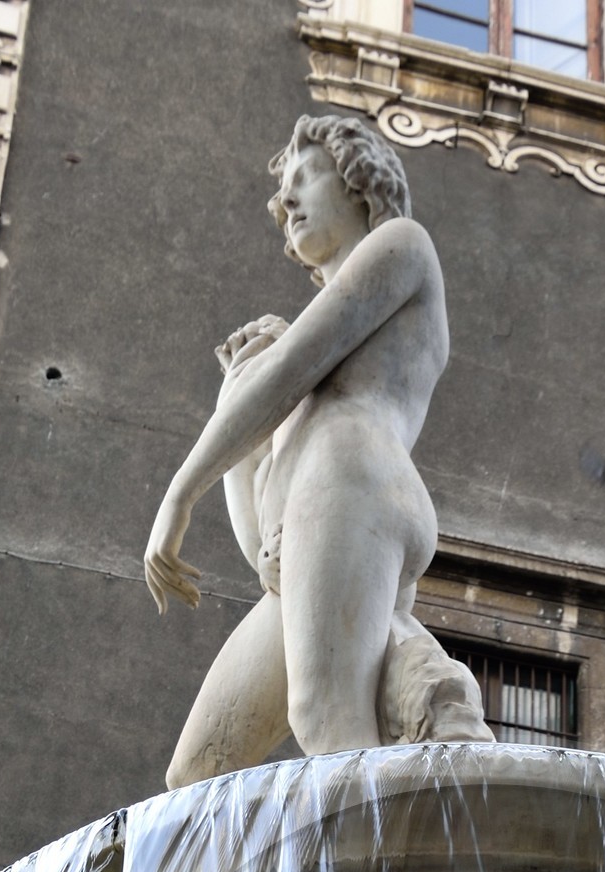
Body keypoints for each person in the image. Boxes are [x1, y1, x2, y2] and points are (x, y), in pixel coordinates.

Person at [144, 115, 489, 784]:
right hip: (317, 523)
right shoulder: (299, 363)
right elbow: (263, 555)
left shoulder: (402, 246)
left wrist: (178, 492)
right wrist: (232, 399)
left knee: (328, 721)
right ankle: (434, 693)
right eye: (282, 193)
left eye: (306, 178)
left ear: (361, 180)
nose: (286, 203)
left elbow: (292, 369)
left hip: (356, 480)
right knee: (196, 774)